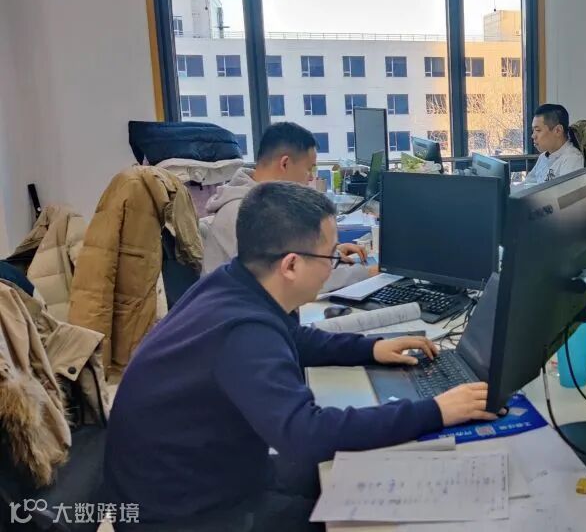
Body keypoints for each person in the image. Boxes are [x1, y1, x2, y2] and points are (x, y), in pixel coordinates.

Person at [105, 182, 496, 531]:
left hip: (200, 475)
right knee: (373, 515)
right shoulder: (243, 332)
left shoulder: (234, 283)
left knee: (338, 473)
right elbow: (307, 434)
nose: (334, 268)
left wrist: (371, 348)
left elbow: (293, 339)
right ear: (291, 264)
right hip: (184, 514)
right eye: (330, 257)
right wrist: (435, 411)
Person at [200, 122, 372, 292]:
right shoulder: (244, 212)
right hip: (238, 307)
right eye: (309, 169)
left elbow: (289, 256)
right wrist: (365, 274)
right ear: (285, 164)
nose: (310, 178)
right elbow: (290, 280)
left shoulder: (267, 202)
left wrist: (330, 256)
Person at [526, 103, 584, 184]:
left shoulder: (572, 159)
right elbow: (528, 184)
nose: (533, 136)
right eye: (533, 130)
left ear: (558, 130)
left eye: (538, 130)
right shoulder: (543, 157)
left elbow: (566, 191)